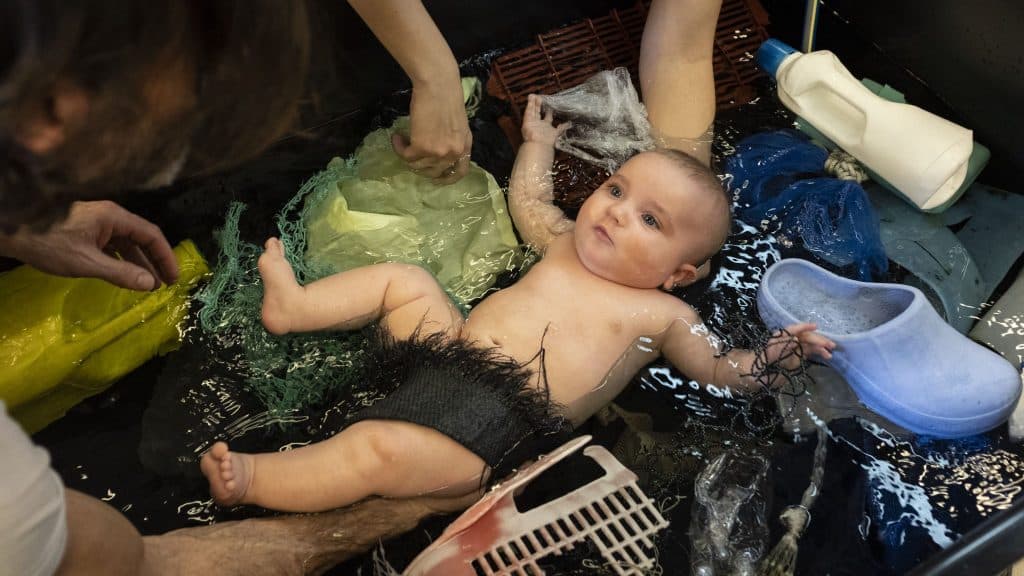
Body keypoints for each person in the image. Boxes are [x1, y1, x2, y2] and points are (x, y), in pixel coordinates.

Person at [198, 1, 837, 513]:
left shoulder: (663, 315)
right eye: (616, 190)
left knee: (372, 453)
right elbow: (529, 202)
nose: (615, 210)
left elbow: (719, 372)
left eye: (649, 219)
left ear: (680, 274)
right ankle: (298, 306)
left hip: (497, 424)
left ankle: (254, 478)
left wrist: (778, 355)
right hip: (447, 348)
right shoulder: (562, 243)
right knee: (406, 281)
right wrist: (536, 145)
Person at [0, 1, 474, 574]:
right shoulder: (14, 507)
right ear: (52, 111)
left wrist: (20, 221)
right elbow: (127, 563)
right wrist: (397, 509)